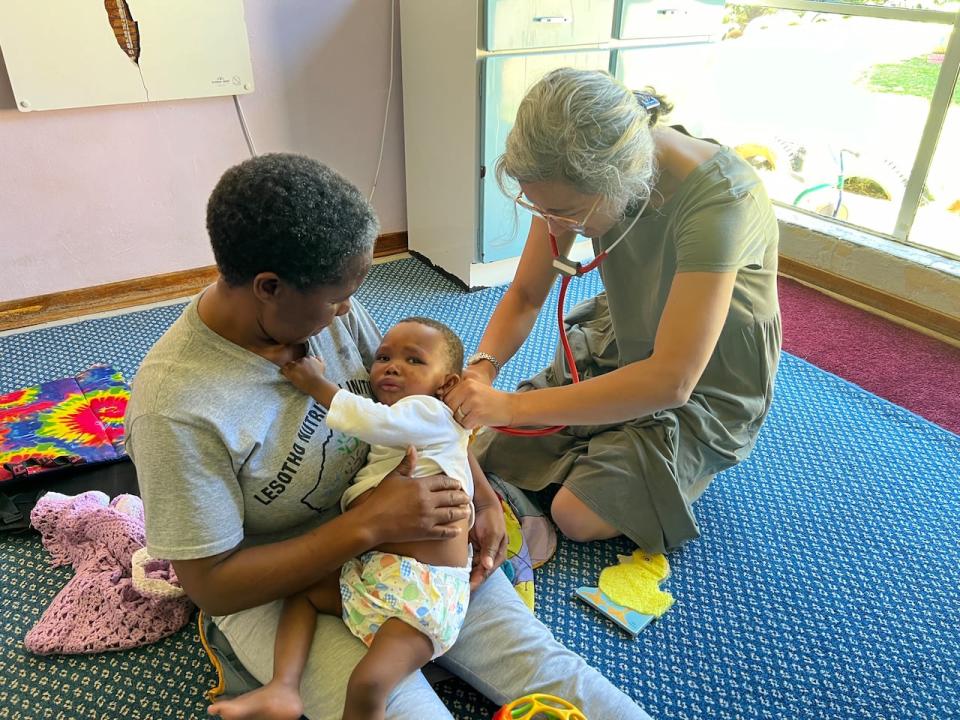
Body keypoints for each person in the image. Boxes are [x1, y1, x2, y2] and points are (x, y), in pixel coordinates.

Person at [125, 152, 654, 720]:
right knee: (400, 708)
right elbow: (214, 588)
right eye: (337, 297)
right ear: (270, 287)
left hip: (413, 537)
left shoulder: (322, 311)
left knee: (550, 670)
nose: (348, 311)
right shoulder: (175, 409)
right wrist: (371, 523)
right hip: (279, 580)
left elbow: (422, 413)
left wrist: (479, 495)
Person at [446, 68, 781, 554]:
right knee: (489, 448)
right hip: (623, 336)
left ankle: (681, 458)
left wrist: (515, 406)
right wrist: (483, 368)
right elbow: (524, 295)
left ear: (618, 183)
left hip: (703, 379)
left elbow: (671, 380)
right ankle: (612, 438)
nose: (552, 226)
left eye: (562, 214)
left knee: (574, 514)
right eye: (540, 210)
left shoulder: (721, 202)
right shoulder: (573, 183)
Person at [208, 316, 489, 720]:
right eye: (384, 357)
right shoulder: (406, 426)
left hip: (422, 595)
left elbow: (375, 421)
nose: (392, 366)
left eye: (414, 360)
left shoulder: (427, 411)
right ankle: (282, 687)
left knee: (368, 683)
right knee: (301, 591)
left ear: (446, 385)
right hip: (376, 576)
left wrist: (317, 385)